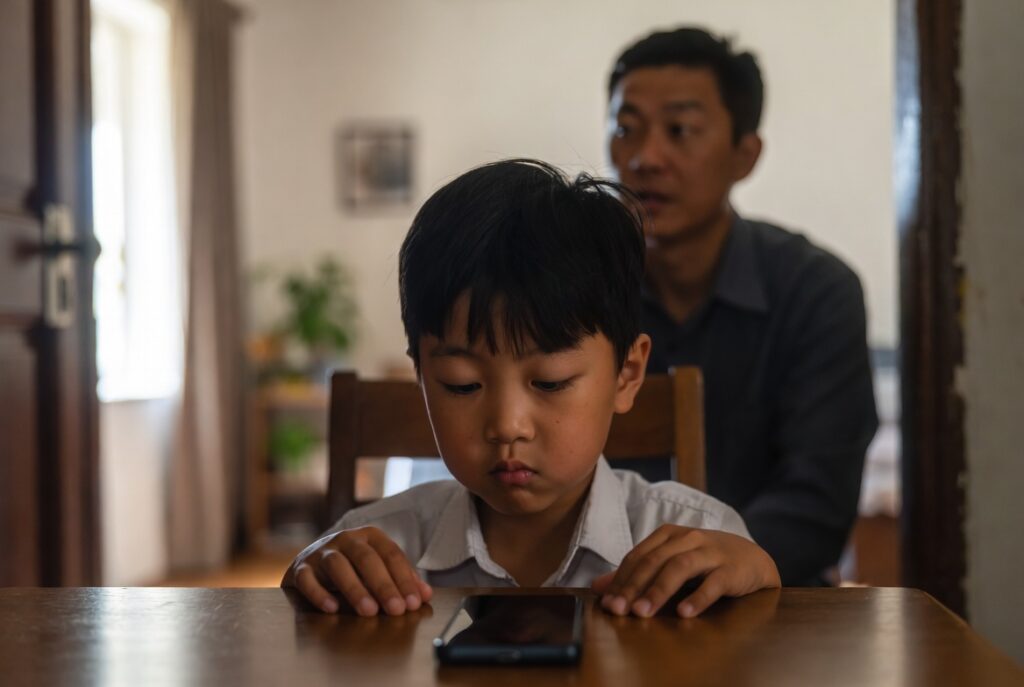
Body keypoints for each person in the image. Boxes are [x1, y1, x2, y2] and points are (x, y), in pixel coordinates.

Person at [282, 159, 780, 618]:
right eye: (462, 385)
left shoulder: (697, 538)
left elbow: (758, 650)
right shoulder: (378, 550)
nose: (507, 426)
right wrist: (306, 580)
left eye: (550, 381)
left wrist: (764, 582)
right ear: (422, 380)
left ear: (627, 375)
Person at [605, 27, 878, 585]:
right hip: (599, 592)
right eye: (626, 130)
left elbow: (818, 502)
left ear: (744, 155)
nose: (646, 158)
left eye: (680, 131)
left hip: (769, 602)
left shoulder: (815, 292)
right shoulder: (578, 291)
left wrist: (705, 565)